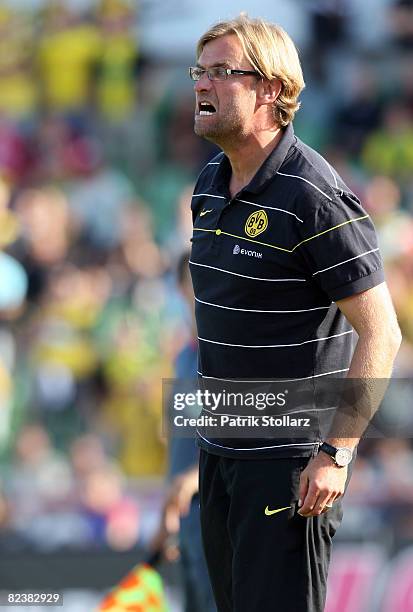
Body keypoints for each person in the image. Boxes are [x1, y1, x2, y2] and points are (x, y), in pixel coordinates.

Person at [187, 15, 402, 612]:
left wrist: (337, 452)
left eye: (221, 72)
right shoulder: (208, 183)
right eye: (199, 72)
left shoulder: (311, 194)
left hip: (289, 465)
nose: (202, 85)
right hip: (220, 450)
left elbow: (382, 333)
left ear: (272, 90)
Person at [151, 251, 216, 612]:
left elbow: (268, 427)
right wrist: (168, 513)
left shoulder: (235, 355)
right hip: (188, 526)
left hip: (222, 519)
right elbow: (180, 446)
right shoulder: (182, 359)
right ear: (179, 289)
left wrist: (195, 478)